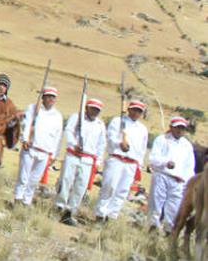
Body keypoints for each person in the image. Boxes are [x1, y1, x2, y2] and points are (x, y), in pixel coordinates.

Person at [94, 100, 149, 221]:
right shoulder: (118, 121)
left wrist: (139, 166)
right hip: (116, 159)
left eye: (139, 111)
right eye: (134, 110)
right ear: (129, 109)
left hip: (131, 163)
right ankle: (100, 214)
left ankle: (111, 216)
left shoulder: (143, 129)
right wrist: (120, 144)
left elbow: (142, 150)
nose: (136, 113)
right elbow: (111, 137)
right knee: (109, 187)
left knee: (122, 191)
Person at [55, 98, 106, 226]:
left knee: (80, 186)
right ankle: (59, 206)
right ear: (87, 107)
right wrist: (74, 143)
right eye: (92, 108)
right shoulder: (76, 117)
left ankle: (70, 211)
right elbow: (69, 131)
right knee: (65, 180)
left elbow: (101, 144)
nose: (94, 111)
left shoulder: (100, 125)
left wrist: (99, 160)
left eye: (97, 110)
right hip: (73, 154)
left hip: (88, 159)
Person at [14, 86, 64, 206]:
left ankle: (26, 201)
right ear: (43, 98)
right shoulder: (33, 108)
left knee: (34, 179)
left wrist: (54, 154)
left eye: (53, 97)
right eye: (48, 96)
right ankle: (18, 198)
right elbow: (26, 124)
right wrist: (25, 139)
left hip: (45, 151)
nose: (51, 99)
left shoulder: (57, 116)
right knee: (23, 176)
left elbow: (58, 137)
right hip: (30, 148)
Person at [147, 116, 195, 232]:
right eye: (177, 127)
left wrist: (187, 183)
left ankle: (169, 230)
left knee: (174, 207)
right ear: (171, 127)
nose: (179, 130)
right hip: (162, 175)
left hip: (178, 180)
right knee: (156, 202)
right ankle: (153, 226)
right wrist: (165, 162)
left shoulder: (187, 146)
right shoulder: (162, 140)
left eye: (182, 128)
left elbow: (189, 167)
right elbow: (153, 158)